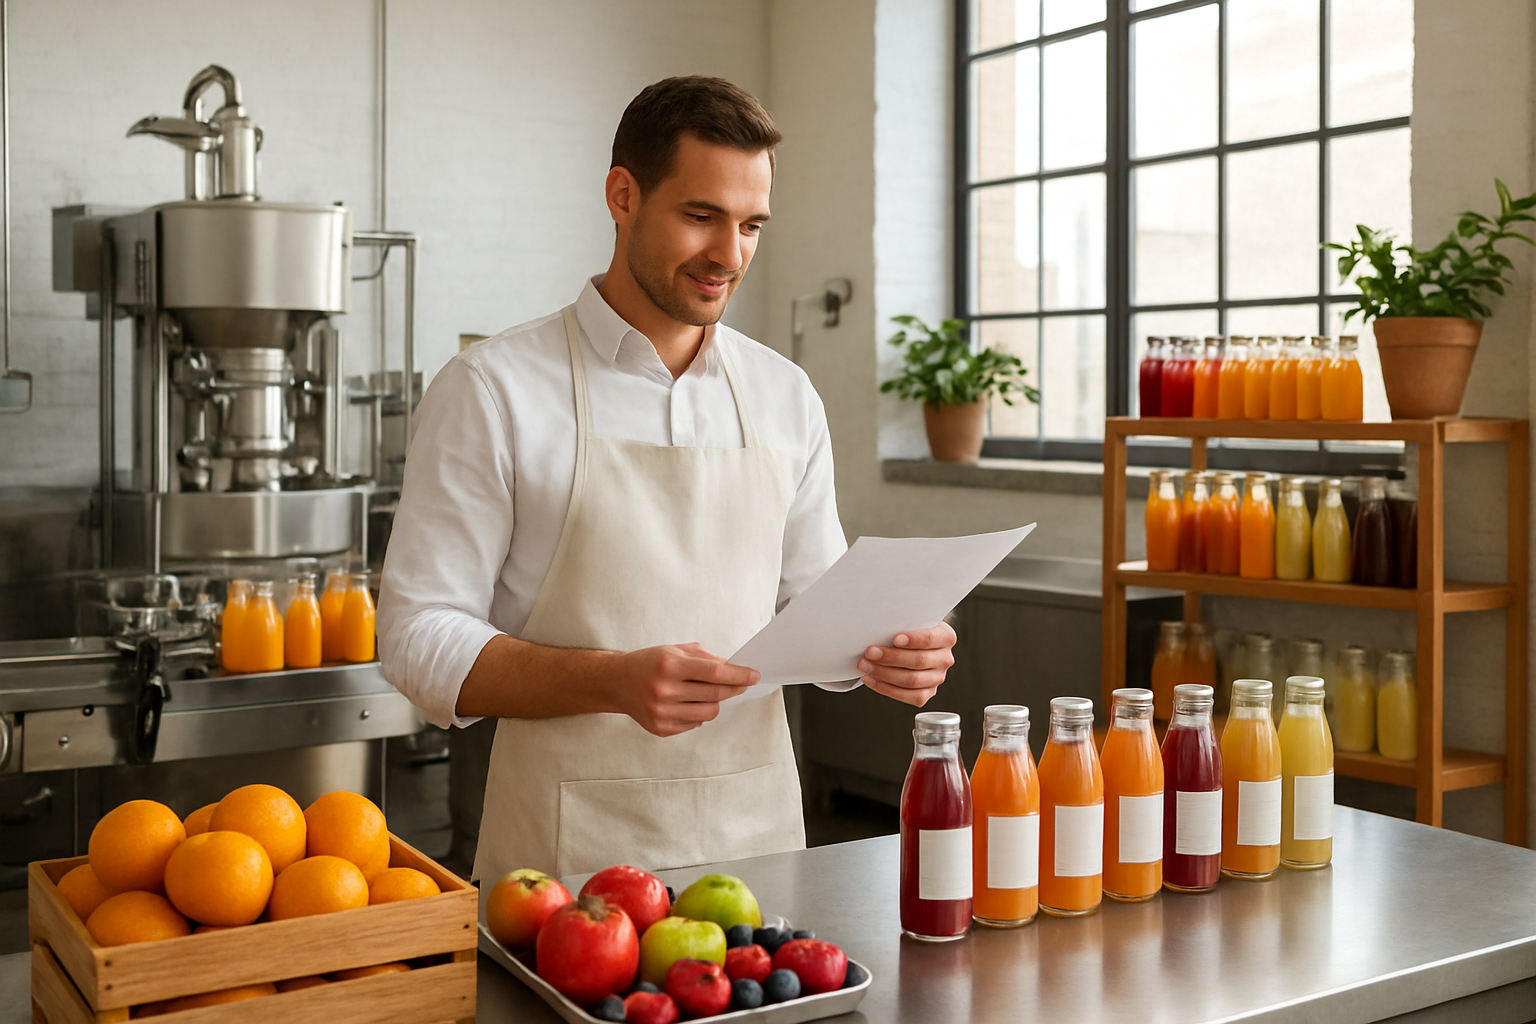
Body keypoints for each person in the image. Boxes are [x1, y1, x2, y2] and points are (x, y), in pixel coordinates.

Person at [378, 76, 957, 883]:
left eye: (751, 225)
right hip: (567, 872)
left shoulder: (785, 395)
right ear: (623, 195)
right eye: (701, 217)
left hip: (758, 853)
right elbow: (415, 636)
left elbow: (815, 608)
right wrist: (610, 680)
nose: (731, 255)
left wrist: (883, 650)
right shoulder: (492, 388)